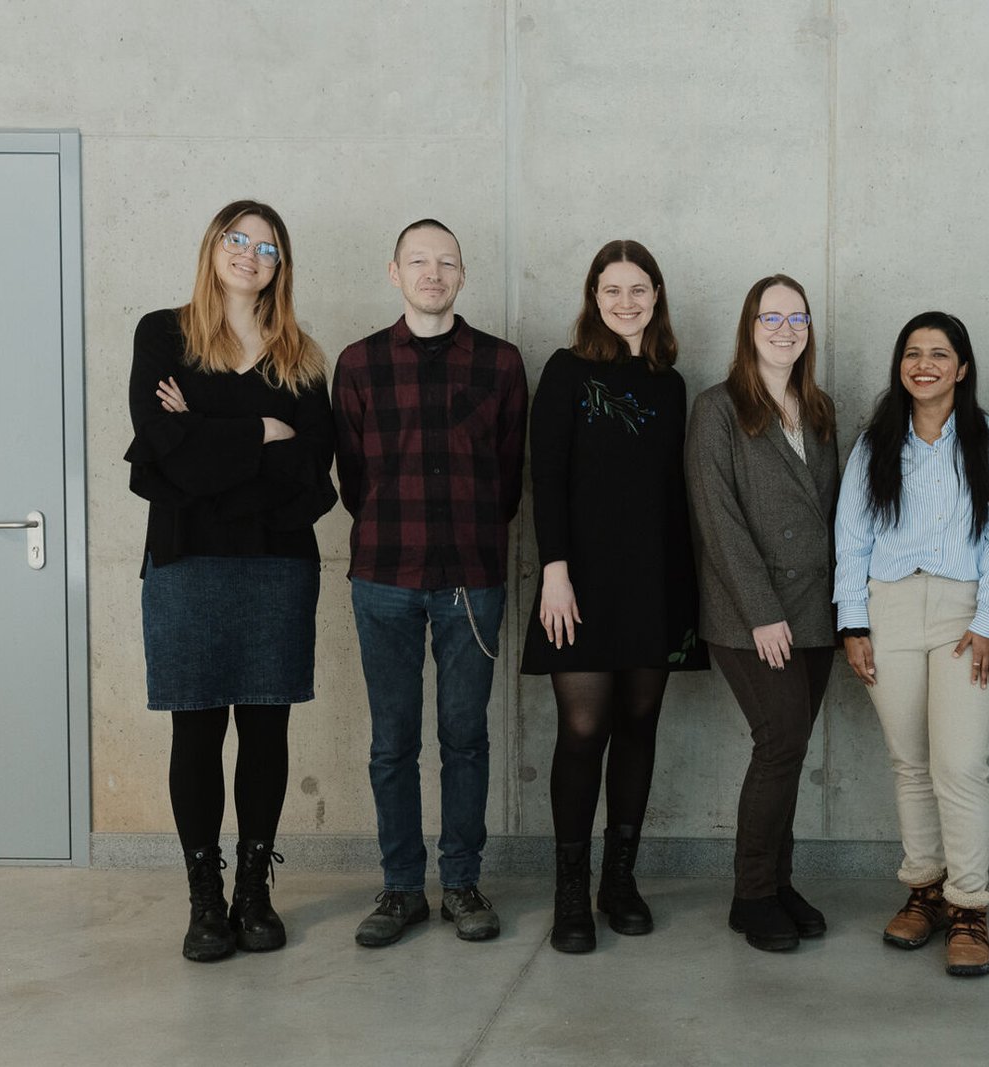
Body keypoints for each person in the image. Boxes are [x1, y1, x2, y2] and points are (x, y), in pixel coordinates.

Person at [125, 199, 336, 962]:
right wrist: (258, 432)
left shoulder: (301, 356)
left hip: (278, 565)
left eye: (267, 246)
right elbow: (158, 446)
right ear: (213, 246)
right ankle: (205, 898)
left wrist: (206, 441)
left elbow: (311, 470)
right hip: (186, 560)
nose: (250, 253)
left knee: (267, 727)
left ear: (281, 266)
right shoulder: (164, 333)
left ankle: (253, 890)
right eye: (237, 239)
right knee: (196, 727)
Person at [332, 219, 528, 948]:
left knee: (465, 739)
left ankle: (463, 883)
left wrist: (469, 533)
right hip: (383, 576)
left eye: (446, 262)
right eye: (418, 261)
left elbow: (508, 475)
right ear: (395, 273)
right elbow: (353, 476)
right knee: (392, 743)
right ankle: (402, 888)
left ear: (462, 275)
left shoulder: (501, 363)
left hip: (471, 580)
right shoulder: (359, 363)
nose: (433, 273)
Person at [523, 239, 708, 954]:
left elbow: (669, 493)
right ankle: (570, 889)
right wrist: (555, 571)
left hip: (656, 579)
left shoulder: (671, 383)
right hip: (581, 581)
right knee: (582, 729)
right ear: (593, 298)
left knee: (639, 723)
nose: (625, 302)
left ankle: (618, 881)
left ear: (656, 296)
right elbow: (547, 477)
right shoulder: (566, 370)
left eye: (637, 289)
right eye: (612, 290)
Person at [834, 311, 989, 978]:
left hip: (964, 615)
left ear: (962, 368)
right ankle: (925, 890)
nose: (924, 365)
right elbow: (852, 535)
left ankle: (969, 905)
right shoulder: (875, 444)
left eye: (939, 354)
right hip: (887, 612)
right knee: (910, 762)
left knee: (960, 764)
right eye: (913, 353)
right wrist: (853, 624)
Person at [685, 274, 840, 953]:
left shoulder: (820, 409)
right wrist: (761, 612)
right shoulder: (717, 408)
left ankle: (779, 882)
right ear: (749, 327)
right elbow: (717, 518)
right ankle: (751, 894)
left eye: (796, 317)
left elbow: (833, 511)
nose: (784, 329)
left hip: (816, 612)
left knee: (792, 748)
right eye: (770, 317)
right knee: (779, 743)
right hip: (752, 615)